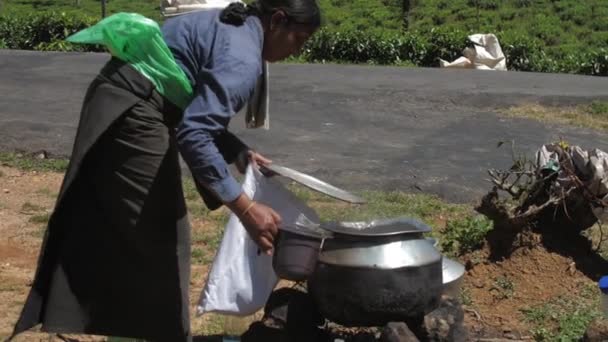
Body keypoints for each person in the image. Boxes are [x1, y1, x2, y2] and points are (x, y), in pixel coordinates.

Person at [9, 0, 321, 341]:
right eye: (298, 39)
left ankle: (128, 331)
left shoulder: (237, 26)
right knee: (161, 235)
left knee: (136, 231)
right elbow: (194, 134)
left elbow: (195, 108)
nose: (297, 50)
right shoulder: (244, 58)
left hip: (126, 99)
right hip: (134, 109)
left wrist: (237, 151)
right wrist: (246, 208)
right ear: (277, 20)